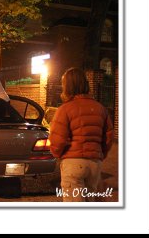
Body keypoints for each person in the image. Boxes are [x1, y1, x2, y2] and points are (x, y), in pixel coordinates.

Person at [48, 67, 114, 202]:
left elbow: (57, 140)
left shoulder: (65, 109)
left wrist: (57, 154)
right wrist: (99, 155)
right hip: (94, 164)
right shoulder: (100, 108)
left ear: (67, 86)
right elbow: (108, 137)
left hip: (73, 163)